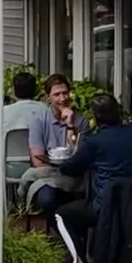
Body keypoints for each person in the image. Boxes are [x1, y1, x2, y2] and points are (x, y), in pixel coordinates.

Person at [54, 94, 132, 263]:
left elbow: (70, 168)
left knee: (62, 214)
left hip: (108, 208)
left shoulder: (94, 141)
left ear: (95, 117)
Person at [26, 74, 89, 215]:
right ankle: (66, 232)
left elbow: (79, 154)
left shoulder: (80, 121)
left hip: (74, 177)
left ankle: (71, 231)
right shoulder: (39, 120)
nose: (62, 98)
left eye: (65, 93)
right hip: (49, 177)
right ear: (48, 97)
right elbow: (37, 160)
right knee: (48, 199)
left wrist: (70, 125)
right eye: (57, 94)